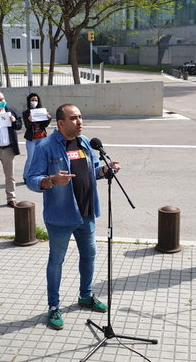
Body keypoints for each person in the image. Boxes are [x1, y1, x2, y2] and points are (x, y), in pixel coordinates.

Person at [26, 103, 121, 330]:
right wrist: (50, 180)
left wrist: (105, 171)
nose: (79, 121)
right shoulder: (46, 146)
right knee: (56, 262)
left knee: (89, 255)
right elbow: (30, 178)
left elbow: (93, 170)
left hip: (86, 213)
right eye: (74, 118)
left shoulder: (86, 142)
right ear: (60, 123)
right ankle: (53, 306)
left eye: (80, 117)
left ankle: (85, 295)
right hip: (60, 216)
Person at [22, 93, 51, 183]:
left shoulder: (41, 111)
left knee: (42, 157)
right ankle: (26, 176)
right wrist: (30, 120)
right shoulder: (26, 113)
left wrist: (48, 118)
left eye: (36, 100)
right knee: (30, 158)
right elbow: (27, 126)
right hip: (31, 139)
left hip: (42, 137)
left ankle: (41, 175)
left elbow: (44, 125)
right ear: (29, 101)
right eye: (32, 100)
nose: (34, 102)